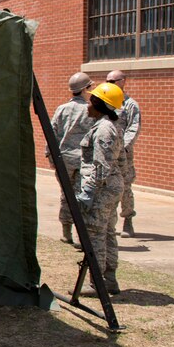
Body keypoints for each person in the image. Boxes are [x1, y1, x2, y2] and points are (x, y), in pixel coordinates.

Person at [75, 82, 126, 296]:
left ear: (99, 104)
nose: (87, 105)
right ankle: (109, 279)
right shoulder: (111, 125)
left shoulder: (104, 129)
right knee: (108, 233)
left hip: (102, 190)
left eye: (90, 101)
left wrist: (88, 192)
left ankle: (97, 283)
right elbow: (121, 161)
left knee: (95, 234)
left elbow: (101, 167)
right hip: (111, 188)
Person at [48, 72, 95, 245]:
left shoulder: (62, 109)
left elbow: (52, 133)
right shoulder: (89, 109)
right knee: (82, 196)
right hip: (83, 160)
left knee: (65, 195)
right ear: (85, 89)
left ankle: (66, 232)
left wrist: (51, 157)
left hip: (64, 158)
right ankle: (79, 235)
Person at [105, 70, 141, 238]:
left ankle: (128, 220)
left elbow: (133, 127)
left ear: (123, 81)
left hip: (124, 154)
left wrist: (123, 147)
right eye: (108, 80)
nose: (110, 83)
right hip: (106, 153)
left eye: (113, 80)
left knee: (125, 187)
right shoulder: (105, 103)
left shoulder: (130, 105)